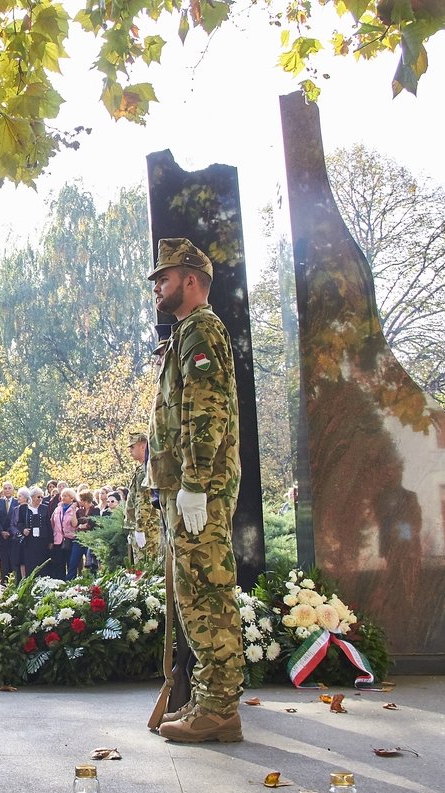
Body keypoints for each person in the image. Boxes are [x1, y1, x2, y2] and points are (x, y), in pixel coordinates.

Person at [146, 237, 244, 744]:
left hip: (196, 490)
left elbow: (206, 411)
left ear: (190, 280)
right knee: (194, 592)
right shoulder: (188, 331)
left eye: (163, 278)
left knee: (207, 593)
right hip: (185, 489)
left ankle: (220, 706)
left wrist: (195, 484)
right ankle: (209, 700)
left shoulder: (201, 328)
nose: (157, 287)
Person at [124, 432, 161, 565]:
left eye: (132, 447)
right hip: (144, 526)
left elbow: (144, 501)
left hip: (147, 528)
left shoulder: (145, 470)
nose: (130, 451)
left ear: (143, 446)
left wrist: (139, 528)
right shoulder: (142, 468)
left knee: (146, 568)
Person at [16, 486, 51, 578]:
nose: (40, 499)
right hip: (29, 540)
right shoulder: (24, 508)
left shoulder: (45, 508)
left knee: (42, 563)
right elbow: (19, 523)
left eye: (41, 497)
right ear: (32, 497)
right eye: (38, 497)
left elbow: (48, 524)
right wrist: (23, 530)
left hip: (42, 540)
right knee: (30, 563)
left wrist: (51, 541)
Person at [49, 486, 77, 579]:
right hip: (58, 540)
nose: (63, 497)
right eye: (62, 496)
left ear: (71, 498)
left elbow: (75, 524)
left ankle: (70, 583)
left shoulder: (75, 509)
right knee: (59, 564)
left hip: (70, 539)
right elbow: (52, 522)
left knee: (70, 563)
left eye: (66, 496)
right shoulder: (57, 509)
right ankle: (60, 583)